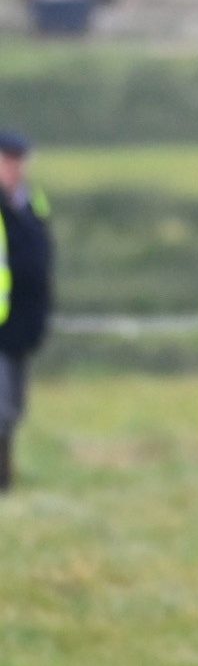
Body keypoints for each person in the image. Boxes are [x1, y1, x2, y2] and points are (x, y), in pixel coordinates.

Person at [0, 129, 53, 492]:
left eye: (20, 161)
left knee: (14, 409)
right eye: (8, 160)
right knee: (1, 408)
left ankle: (6, 478)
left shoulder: (32, 203)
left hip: (22, 323)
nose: (15, 168)